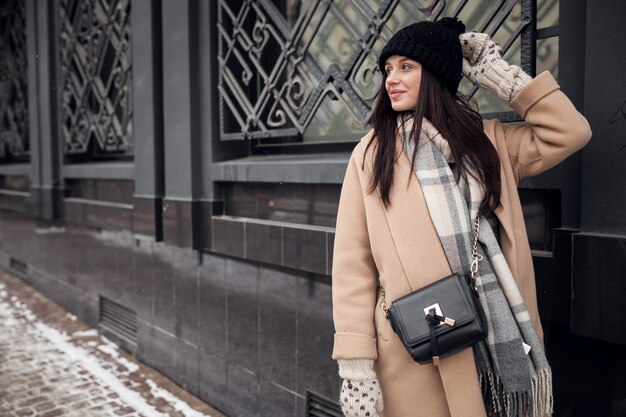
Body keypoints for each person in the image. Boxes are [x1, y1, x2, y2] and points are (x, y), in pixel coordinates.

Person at [331, 17, 591, 417]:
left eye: (406, 67)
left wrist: (500, 76)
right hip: (413, 346)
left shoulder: (489, 143)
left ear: (436, 73)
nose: (391, 80)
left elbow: (570, 132)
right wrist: (356, 368)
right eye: (388, 69)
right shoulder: (372, 154)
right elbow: (353, 265)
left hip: (495, 333)